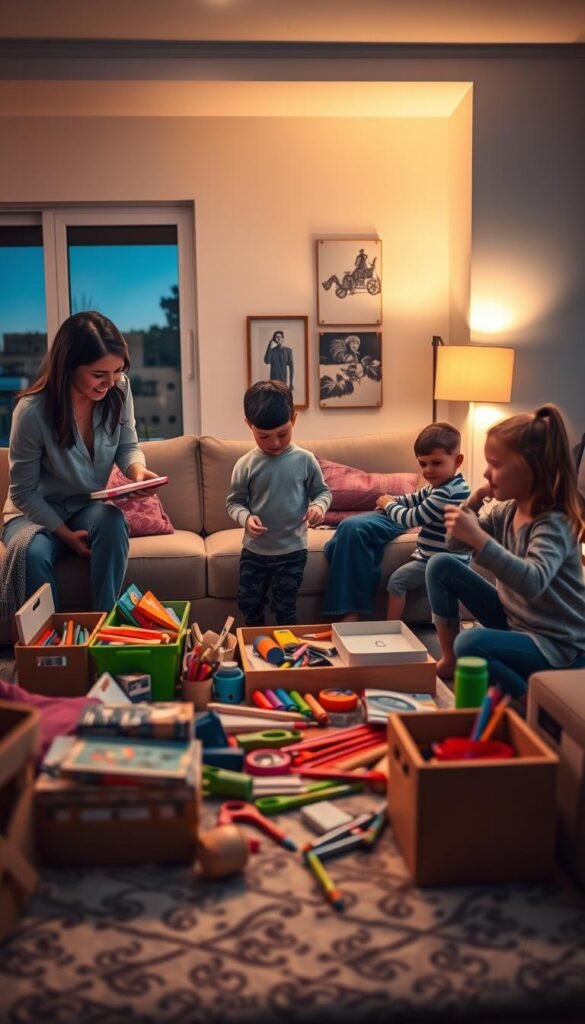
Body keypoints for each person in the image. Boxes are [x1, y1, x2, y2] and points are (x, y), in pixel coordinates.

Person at [2, 310, 159, 613]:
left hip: (84, 506)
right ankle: (52, 647)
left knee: (112, 521)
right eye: (99, 375)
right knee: (33, 554)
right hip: (32, 514)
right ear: (68, 366)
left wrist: (137, 473)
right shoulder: (32, 411)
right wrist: (64, 535)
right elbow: (23, 492)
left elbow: (128, 444)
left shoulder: (119, 389)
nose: (110, 382)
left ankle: (103, 624)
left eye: (117, 371)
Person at [426, 404, 585, 696]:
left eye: (495, 464)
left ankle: (529, 701)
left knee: (471, 644)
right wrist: (473, 501)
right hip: (517, 621)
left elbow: (533, 582)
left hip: (558, 643)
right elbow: (455, 543)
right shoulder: (507, 511)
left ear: (529, 470)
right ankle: (449, 660)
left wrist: (480, 539)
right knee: (441, 564)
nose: (486, 472)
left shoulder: (554, 522)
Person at [322, 422, 470, 620]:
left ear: (458, 460)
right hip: (429, 556)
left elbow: (413, 518)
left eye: (436, 463)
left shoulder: (449, 491)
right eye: (423, 464)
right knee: (347, 530)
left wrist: (388, 505)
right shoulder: (436, 486)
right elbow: (413, 497)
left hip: (439, 560)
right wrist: (392, 500)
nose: (428, 471)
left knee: (403, 584)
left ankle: (393, 627)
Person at [226, 381, 331, 625]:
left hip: (293, 550)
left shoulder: (305, 460)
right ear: (248, 426)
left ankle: (287, 653)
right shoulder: (245, 464)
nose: (274, 443)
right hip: (254, 550)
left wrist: (318, 507)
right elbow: (234, 503)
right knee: (248, 603)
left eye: (282, 434)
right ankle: (255, 650)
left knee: (285, 607)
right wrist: (245, 517)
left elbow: (323, 493)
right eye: (264, 436)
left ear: (294, 419)